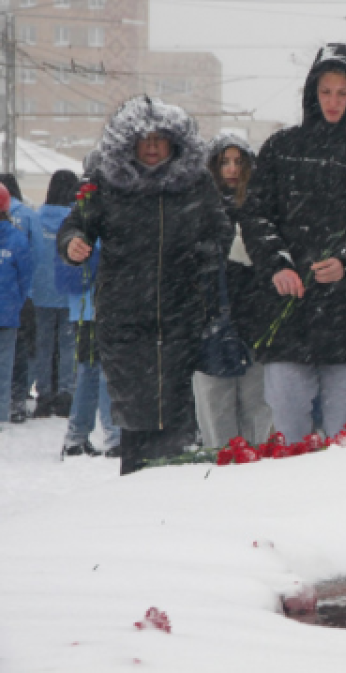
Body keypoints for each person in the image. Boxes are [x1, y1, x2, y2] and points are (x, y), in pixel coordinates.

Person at [58, 96, 232, 474]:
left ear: (175, 142)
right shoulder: (106, 181)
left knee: (177, 414)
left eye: (160, 138)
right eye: (144, 138)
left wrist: (201, 256)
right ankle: (136, 485)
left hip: (182, 314)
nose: (152, 146)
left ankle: (172, 484)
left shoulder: (195, 183)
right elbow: (76, 224)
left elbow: (220, 232)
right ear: (129, 142)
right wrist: (73, 244)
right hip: (124, 317)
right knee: (135, 416)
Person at [241, 44, 346, 444]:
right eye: (326, 91)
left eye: (343, 93)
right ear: (312, 91)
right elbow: (256, 216)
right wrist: (277, 264)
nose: (333, 102)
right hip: (288, 312)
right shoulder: (281, 149)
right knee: (288, 431)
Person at [191, 133, 274, 448]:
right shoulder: (198, 210)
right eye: (224, 162)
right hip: (210, 322)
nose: (232, 169)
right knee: (216, 412)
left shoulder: (262, 208)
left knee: (258, 410)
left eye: (239, 162)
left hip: (255, 322)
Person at [56, 236, 120, 457]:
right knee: (104, 372)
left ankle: (77, 437)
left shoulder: (75, 230)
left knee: (90, 372)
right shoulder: (94, 233)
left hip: (84, 311)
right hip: (99, 310)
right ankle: (113, 436)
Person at [31, 169, 80, 418]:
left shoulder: (36, 217)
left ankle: (44, 394)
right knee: (68, 345)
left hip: (40, 291)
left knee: (44, 344)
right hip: (68, 289)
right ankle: (65, 394)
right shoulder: (74, 220)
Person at [0, 174, 40, 420]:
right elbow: (26, 275)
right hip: (8, 312)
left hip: (9, 309)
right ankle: (3, 412)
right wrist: (17, 301)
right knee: (6, 365)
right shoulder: (17, 237)